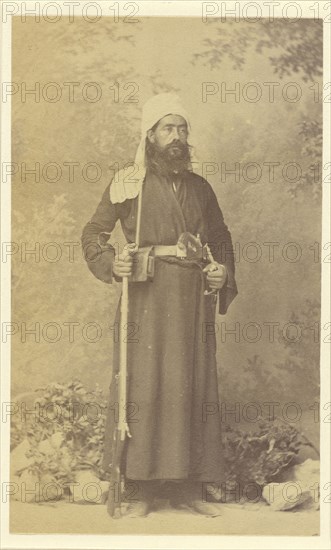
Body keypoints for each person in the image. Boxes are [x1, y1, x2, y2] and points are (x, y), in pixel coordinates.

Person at [81, 94, 238, 517]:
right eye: (168, 128)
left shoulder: (200, 187)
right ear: (150, 135)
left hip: (191, 300)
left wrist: (222, 271)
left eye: (182, 129)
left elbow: (220, 237)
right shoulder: (128, 183)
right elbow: (94, 233)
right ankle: (144, 489)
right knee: (146, 386)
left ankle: (185, 487)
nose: (177, 137)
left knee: (191, 384)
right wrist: (112, 261)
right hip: (146, 301)